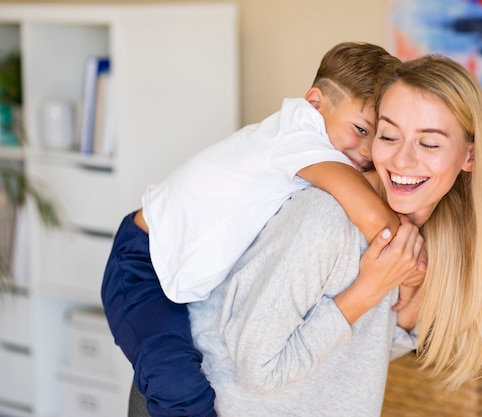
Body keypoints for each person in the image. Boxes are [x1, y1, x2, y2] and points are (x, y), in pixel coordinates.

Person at [160, 54, 482, 416]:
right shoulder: (325, 218)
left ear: (470, 156)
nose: (403, 160)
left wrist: (409, 305)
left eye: (429, 143)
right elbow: (259, 371)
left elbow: (356, 354)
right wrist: (370, 288)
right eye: (388, 135)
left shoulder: (430, 239)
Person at [101, 42, 415, 417]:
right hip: (142, 265)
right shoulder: (297, 135)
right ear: (314, 102)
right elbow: (371, 215)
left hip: (176, 270)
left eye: (377, 136)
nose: (365, 150)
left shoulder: (305, 150)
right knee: (178, 386)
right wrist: (409, 272)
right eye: (360, 129)